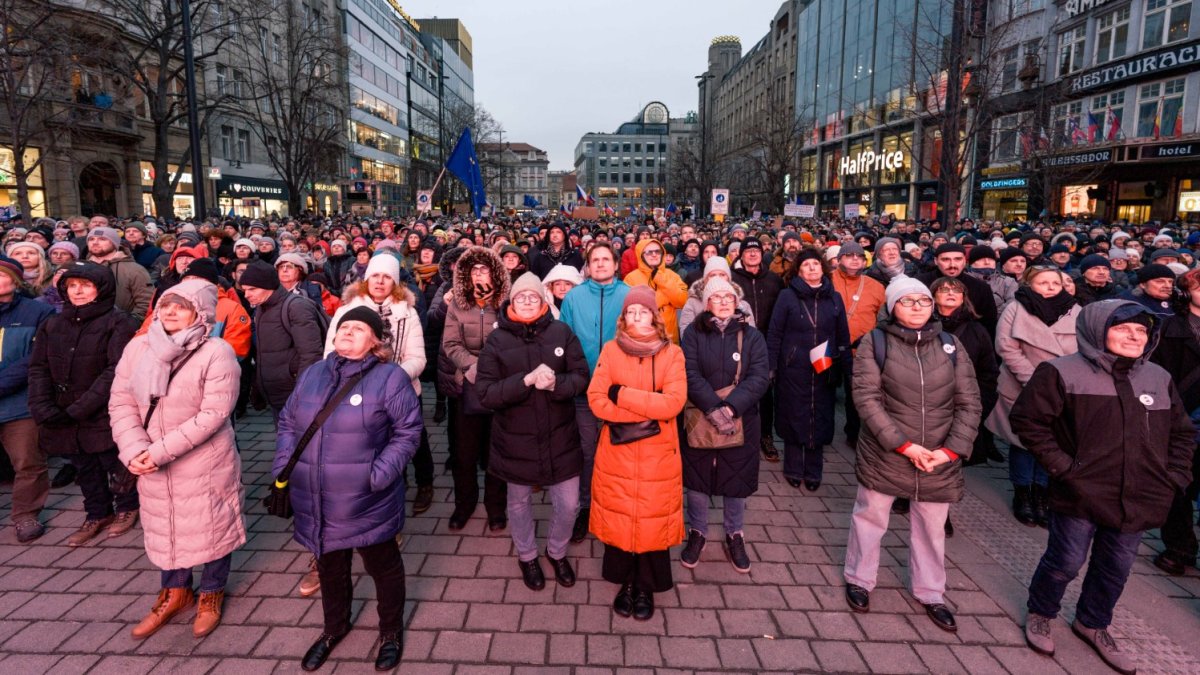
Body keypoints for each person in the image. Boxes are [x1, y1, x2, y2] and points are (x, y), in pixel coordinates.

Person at [1011, 300, 1193, 673]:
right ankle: (1042, 611)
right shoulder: (1061, 372)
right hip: (1081, 492)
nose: (1134, 336)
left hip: (1139, 495)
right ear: (1097, 330)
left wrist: (1174, 477)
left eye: (1141, 330)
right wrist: (1064, 469)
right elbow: (1028, 421)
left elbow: (1182, 434)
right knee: (1066, 561)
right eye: (1123, 328)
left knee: (1116, 566)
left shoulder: (1157, 377)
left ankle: (1093, 622)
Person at [276, 307, 422, 672]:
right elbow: (288, 423)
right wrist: (284, 466)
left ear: (376, 341)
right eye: (344, 327)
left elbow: (408, 432)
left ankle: (390, 631)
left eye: (359, 328)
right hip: (315, 494)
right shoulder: (313, 373)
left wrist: (379, 474)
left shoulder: (390, 378)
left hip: (366, 496)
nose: (348, 332)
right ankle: (334, 628)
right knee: (330, 565)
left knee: (383, 565)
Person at [108, 278, 245, 639]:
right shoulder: (138, 348)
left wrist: (156, 453)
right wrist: (134, 449)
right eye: (165, 304)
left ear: (198, 312)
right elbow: (121, 401)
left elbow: (214, 414)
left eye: (180, 306)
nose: (169, 311)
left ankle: (211, 592)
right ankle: (175, 591)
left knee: (211, 525)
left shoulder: (216, 351)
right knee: (163, 524)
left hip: (203, 460)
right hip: (148, 456)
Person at [845, 277, 981, 632]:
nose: (917, 307)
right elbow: (867, 400)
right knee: (871, 517)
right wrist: (904, 445)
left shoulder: (951, 345)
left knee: (932, 527)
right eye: (907, 302)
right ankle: (860, 578)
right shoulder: (875, 343)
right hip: (887, 452)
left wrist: (950, 450)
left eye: (923, 300)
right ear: (892, 308)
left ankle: (931, 591)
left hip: (939, 455)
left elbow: (969, 401)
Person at [476, 272, 589, 590]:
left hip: (560, 435)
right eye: (520, 296)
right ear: (511, 301)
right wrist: (523, 381)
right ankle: (527, 555)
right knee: (519, 502)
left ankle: (556, 550)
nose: (527, 301)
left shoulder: (561, 332)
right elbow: (485, 392)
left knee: (568, 504)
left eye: (533, 296)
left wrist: (557, 383)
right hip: (515, 438)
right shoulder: (497, 340)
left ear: (544, 301)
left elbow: (581, 376)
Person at [587, 285, 687, 621]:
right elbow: (597, 399)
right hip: (617, 450)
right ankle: (625, 582)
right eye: (631, 312)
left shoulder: (672, 354)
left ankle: (645, 586)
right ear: (623, 317)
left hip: (659, 454)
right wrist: (645, 412)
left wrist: (624, 395)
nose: (637, 317)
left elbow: (674, 402)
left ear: (655, 316)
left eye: (643, 311)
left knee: (651, 520)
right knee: (621, 517)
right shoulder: (611, 350)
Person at [28, 262, 140, 546]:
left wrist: (81, 406)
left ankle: (127, 507)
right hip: (62, 409)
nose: (78, 291)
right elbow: (39, 366)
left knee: (111, 459)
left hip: (100, 408)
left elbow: (116, 369)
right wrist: (42, 405)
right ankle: (97, 512)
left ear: (100, 288)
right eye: (72, 285)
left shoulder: (118, 322)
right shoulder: (53, 323)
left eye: (86, 285)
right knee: (83, 465)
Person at [325, 253, 431, 515]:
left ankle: (425, 482)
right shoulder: (347, 310)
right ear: (366, 278)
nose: (380, 282)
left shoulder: (407, 312)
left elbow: (417, 357)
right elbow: (330, 353)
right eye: (375, 276)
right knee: (374, 443)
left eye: (386, 277)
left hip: (401, 388)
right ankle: (393, 482)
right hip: (358, 391)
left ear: (395, 282)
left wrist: (391, 380)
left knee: (414, 439)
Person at [678, 278, 770, 573]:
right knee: (698, 479)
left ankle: (735, 534)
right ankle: (698, 532)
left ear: (737, 301)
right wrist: (712, 407)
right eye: (716, 297)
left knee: (736, 479)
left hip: (741, 417)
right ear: (706, 303)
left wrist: (731, 407)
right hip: (700, 415)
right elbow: (688, 372)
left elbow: (759, 376)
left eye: (728, 296)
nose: (723, 301)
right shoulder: (692, 333)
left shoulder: (752, 335)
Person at [988, 266, 1080, 527]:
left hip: (1063, 387)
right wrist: (1036, 381)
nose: (1051, 287)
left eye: (1055, 282)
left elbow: (1084, 345)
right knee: (1023, 442)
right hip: (1023, 384)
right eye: (1043, 282)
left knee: (1052, 442)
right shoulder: (1016, 308)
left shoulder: (1075, 309)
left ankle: (1042, 493)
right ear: (1029, 284)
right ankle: (1022, 492)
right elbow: (1006, 347)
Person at [559, 242, 630, 544]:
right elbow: (565, 339)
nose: (600, 264)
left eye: (605, 259)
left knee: (622, 450)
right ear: (587, 266)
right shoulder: (574, 297)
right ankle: (586, 507)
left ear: (616, 264)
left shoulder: (630, 295)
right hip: (585, 390)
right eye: (594, 260)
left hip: (623, 391)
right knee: (587, 452)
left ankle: (618, 506)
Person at [766, 247, 851, 491]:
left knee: (820, 415)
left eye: (815, 264)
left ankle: (813, 470)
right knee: (794, 414)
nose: (811, 268)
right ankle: (793, 467)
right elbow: (775, 333)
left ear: (822, 267)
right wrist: (772, 365)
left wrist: (847, 367)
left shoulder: (834, 297)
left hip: (825, 366)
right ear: (798, 270)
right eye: (806, 265)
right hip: (793, 366)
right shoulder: (787, 296)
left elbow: (842, 334)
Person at [441, 246, 510, 531]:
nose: (480, 273)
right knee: (464, 454)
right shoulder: (458, 304)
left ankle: (496, 508)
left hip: (499, 386)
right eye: (475, 269)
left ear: (495, 273)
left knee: (497, 452)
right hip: (466, 384)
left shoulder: (507, 303)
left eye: (485, 268)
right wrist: (472, 367)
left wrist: (492, 370)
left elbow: (513, 343)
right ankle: (464, 504)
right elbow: (450, 344)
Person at [0, 255, 57, 542]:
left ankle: (25, 515)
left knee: (27, 461)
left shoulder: (37, 312)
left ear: (16, 280)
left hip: (19, 402)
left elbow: (35, 358)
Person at [1148, 268, 1200, 576]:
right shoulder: (1171, 327)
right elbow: (1157, 372)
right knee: (1179, 481)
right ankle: (1179, 547)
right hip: (1183, 415)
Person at [239, 261, 325, 422]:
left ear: (269, 286)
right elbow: (264, 353)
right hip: (277, 393)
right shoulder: (262, 307)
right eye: (244, 290)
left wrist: (302, 393)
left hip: (294, 395)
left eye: (252, 289)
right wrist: (259, 385)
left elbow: (311, 355)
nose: (246, 295)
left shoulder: (296, 307)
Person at [731, 238, 785, 461]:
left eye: (756, 250)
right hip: (737, 342)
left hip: (765, 343)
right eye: (748, 251)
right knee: (737, 387)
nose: (752, 254)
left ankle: (765, 435)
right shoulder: (733, 280)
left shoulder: (774, 280)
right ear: (741, 255)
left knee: (765, 391)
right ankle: (736, 433)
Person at [830, 242, 887, 446]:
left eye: (859, 257)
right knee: (824, 391)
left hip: (859, 350)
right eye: (849, 255)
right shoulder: (826, 280)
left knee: (856, 394)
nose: (855, 259)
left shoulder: (876, 286)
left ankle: (853, 434)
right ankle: (823, 430)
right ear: (838, 260)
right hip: (827, 348)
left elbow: (883, 318)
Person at [622, 238, 688, 343]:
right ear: (641, 255)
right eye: (649, 252)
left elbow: (682, 301)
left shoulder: (672, 275)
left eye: (657, 251)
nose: (654, 254)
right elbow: (628, 309)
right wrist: (664, 299)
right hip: (642, 337)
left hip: (669, 336)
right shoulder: (631, 278)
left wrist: (662, 281)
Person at [86, 227, 153, 321]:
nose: (95, 242)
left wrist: (127, 324)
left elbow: (146, 304)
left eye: (102, 239)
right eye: (91, 239)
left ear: (114, 243)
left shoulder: (134, 270)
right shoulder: (80, 268)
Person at [678, 255, 754, 335]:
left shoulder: (743, 305)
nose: (717, 278)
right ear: (705, 279)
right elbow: (686, 334)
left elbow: (751, 336)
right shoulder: (692, 303)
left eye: (722, 275)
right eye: (712, 275)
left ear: (729, 278)